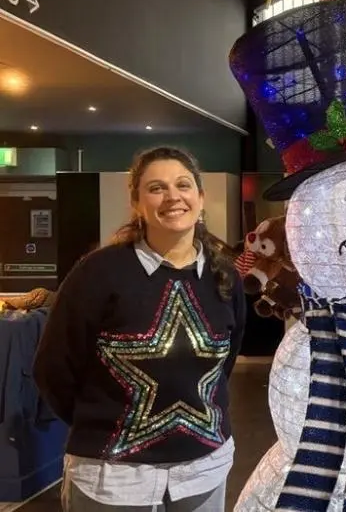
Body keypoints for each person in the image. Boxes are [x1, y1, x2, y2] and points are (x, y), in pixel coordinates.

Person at [34, 146, 247, 512]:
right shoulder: (97, 273)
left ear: (200, 197)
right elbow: (54, 369)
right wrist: (102, 422)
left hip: (203, 470)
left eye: (183, 185)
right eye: (156, 188)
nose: (172, 196)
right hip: (114, 479)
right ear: (136, 202)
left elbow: (224, 364)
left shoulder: (225, 276)